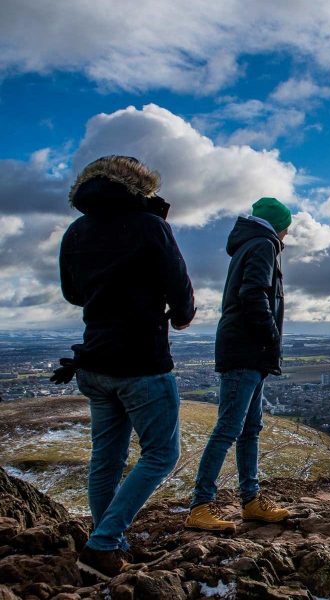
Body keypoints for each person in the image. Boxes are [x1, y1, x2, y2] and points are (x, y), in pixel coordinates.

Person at [57, 155, 195, 578]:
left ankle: (109, 543)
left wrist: (108, 296)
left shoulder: (76, 231)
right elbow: (180, 290)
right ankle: (102, 544)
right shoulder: (151, 226)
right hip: (141, 362)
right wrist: (178, 313)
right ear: (141, 186)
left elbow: (72, 293)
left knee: (107, 458)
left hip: (94, 361)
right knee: (160, 453)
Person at [185, 197, 291, 532]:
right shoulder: (262, 244)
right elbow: (254, 294)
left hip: (250, 350)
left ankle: (251, 501)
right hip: (246, 349)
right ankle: (200, 506)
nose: (289, 234)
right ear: (279, 225)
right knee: (230, 428)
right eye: (287, 227)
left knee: (249, 428)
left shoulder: (252, 244)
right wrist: (270, 334)